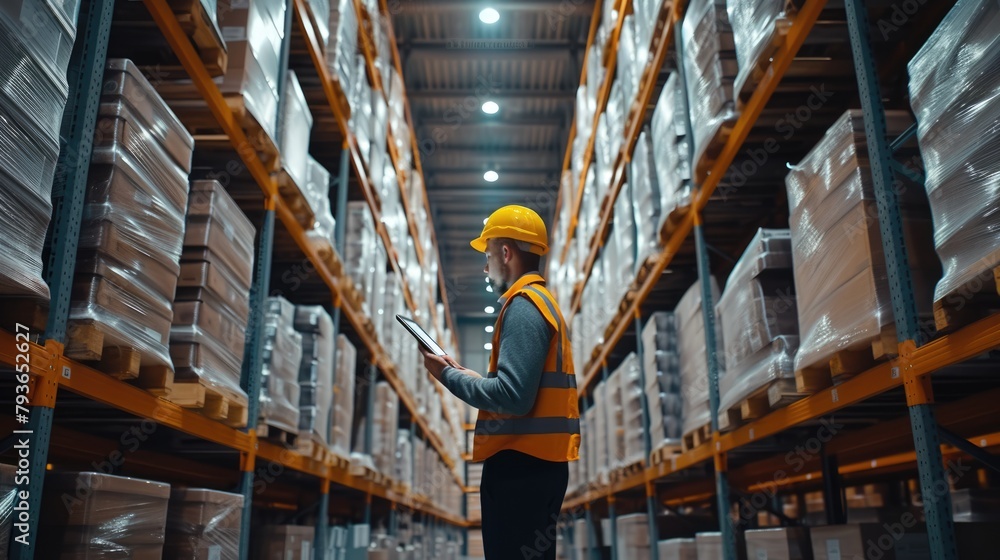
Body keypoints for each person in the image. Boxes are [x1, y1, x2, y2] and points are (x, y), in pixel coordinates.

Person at [420, 205, 580, 560]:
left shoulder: (524, 306)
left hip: (522, 470)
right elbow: (520, 389)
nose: (485, 267)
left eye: (488, 255)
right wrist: (470, 377)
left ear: (506, 253)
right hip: (534, 468)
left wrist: (447, 376)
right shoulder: (540, 303)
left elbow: (513, 397)